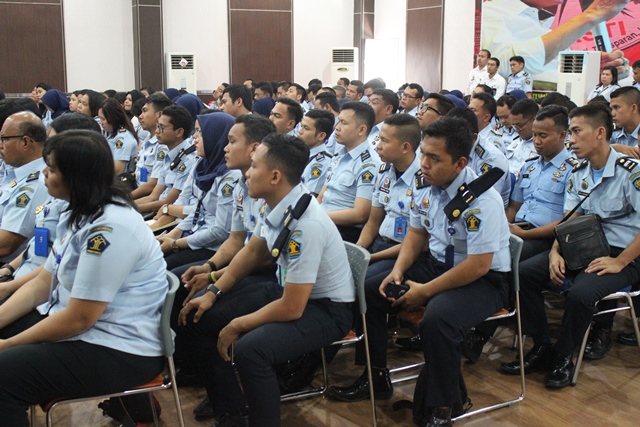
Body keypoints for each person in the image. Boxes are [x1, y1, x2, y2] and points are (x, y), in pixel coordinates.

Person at [330, 118, 510, 427]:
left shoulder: (482, 200)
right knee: (372, 292)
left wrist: (426, 292)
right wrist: (397, 272)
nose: (423, 163)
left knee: (439, 319)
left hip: (483, 280)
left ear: (460, 163)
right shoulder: (427, 187)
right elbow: (416, 235)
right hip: (439, 264)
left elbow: (478, 264)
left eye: (434, 158)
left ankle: (442, 408)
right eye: (423, 153)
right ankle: (375, 377)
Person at [179, 133, 355, 427]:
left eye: (254, 167)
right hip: (288, 293)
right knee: (202, 318)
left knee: (251, 351)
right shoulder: (273, 203)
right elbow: (250, 253)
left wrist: (238, 324)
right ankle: (232, 410)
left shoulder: (306, 225)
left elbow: (293, 308)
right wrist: (212, 292)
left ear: (275, 176)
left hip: (325, 310)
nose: (246, 173)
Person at [0, 130, 167, 427]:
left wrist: (9, 344)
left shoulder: (111, 228)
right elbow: (42, 283)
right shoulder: (77, 212)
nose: (44, 174)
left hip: (118, 349)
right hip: (87, 332)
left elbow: (80, 318)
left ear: (74, 176)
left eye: (51, 169)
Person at [499, 103, 640, 389]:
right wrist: (554, 252)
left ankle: (563, 358)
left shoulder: (631, 172)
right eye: (570, 133)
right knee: (523, 274)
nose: (571, 140)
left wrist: (620, 262)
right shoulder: (579, 171)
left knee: (579, 293)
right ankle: (541, 346)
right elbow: (569, 220)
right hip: (584, 247)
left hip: (625, 255)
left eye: (576, 132)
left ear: (600, 133)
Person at [156, 113, 240, 270]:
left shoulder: (230, 175)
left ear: (215, 136)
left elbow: (220, 232)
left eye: (201, 132)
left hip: (213, 248)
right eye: (195, 131)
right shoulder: (202, 165)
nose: (194, 136)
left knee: (164, 268)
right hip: (194, 234)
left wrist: (175, 244)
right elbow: (198, 212)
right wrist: (172, 234)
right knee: (153, 257)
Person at [482, 0, 632, 87]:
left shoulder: (542, 27)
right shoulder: (490, 13)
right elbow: (502, 69)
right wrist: (590, 16)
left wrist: (591, 72)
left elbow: (556, 75)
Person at [507, 105, 576, 261]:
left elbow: (568, 220)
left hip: (545, 237)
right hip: (518, 230)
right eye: (534, 134)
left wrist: (525, 234)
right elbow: (513, 207)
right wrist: (503, 226)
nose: (536, 141)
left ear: (562, 135)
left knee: (503, 257)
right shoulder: (529, 166)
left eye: (543, 136)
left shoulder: (573, 171)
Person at [318, 102, 381, 243]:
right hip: (324, 221)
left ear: (361, 130)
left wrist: (319, 217)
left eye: (343, 123)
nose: (336, 128)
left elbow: (360, 214)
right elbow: (322, 197)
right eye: (338, 121)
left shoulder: (369, 164)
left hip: (344, 230)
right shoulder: (339, 154)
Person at [0, 112, 50, 263]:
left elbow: (5, 244)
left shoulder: (35, 184)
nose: (0, 144)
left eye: (4, 139)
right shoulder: (18, 173)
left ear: (26, 142)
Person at [135, 105, 196, 214]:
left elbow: (167, 202)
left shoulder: (188, 160)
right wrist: (127, 204)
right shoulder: (168, 156)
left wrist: (131, 208)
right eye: (158, 126)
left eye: (162, 127)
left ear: (179, 132)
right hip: (157, 210)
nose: (157, 131)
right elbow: (154, 196)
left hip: (169, 215)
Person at [98, 98, 140, 176]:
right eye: (100, 118)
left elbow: (118, 169)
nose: (101, 123)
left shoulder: (123, 138)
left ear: (113, 118)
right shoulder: (110, 133)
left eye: (103, 119)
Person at [298, 109, 334, 196]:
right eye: (301, 126)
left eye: (306, 128)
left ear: (321, 136)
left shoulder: (322, 162)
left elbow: (309, 197)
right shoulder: (300, 153)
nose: (300, 131)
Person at [507, 98, 539, 177]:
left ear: (534, 120)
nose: (517, 130)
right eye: (514, 126)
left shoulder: (541, 146)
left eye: (520, 125)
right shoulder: (514, 143)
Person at [609, 86, 640, 158]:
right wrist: (614, 148)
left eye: (617, 107)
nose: (612, 113)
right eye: (611, 109)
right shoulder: (613, 134)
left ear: (633, 108)